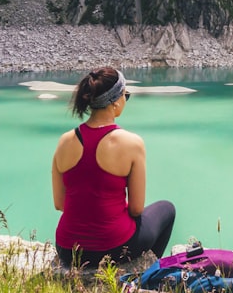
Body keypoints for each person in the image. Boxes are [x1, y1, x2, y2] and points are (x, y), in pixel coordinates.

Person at [52, 66, 175, 269]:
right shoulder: (132, 143)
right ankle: (147, 274)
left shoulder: (64, 141)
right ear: (115, 102)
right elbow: (136, 209)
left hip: (67, 249)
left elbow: (60, 203)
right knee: (167, 209)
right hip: (113, 248)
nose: (125, 99)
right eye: (126, 94)